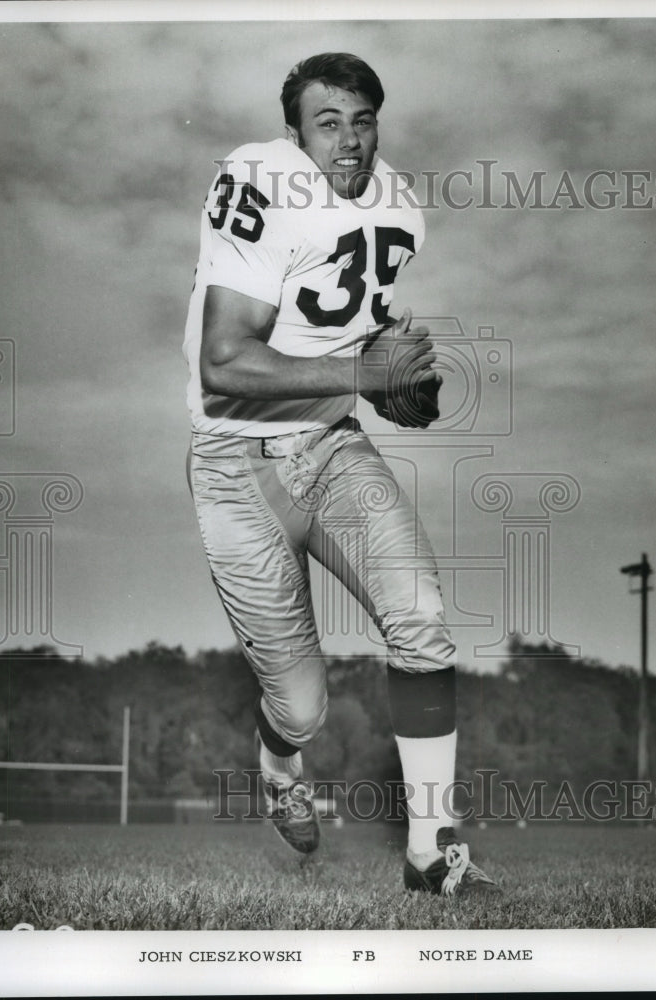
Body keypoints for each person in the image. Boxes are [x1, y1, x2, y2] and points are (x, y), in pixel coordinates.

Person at [183, 52, 498, 896]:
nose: (349, 140)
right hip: (237, 461)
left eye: (362, 121)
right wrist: (366, 377)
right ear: (294, 132)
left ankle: (432, 853)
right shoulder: (259, 179)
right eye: (328, 123)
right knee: (302, 707)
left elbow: (362, 341)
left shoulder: (398, 202)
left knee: (421, 614)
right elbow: (225, 361)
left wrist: (407, 390)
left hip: (330, 445)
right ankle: (282, 769)